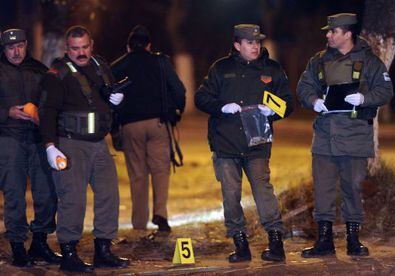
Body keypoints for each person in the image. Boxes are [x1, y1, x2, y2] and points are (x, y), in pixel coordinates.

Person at [297, 13, 393, 258]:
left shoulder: (370, 62)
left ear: (347, 33)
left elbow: (385, 90)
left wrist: (364, 98)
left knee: (353, 189)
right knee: (323, 191)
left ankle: (353, 240)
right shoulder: (318, 61)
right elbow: (303, 87)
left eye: (333, 31)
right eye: (328, 32)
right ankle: (325, 242)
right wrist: (313, 100)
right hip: (325, 137)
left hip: (355, 136)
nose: (328, 35)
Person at [195, 24, 294, 262]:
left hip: (257, 143)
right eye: (250, 43)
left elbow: (288, 103)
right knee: (230, 195)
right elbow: (201, 97)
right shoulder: (221, 68)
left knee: (263, 192)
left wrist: (273, 111)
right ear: (237, 45)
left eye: (258, 42)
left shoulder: (272, 69)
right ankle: (240, 245)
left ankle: (276, 242)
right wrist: (221, 107)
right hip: (225, 144)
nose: (255, 46)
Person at [38, 25, 129, 273]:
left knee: (109, 196)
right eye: (75, 48)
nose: (81, 53)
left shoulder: (100, 65)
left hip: (99, 143)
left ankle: (103, 250)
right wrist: (50, 147)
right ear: (67, 49)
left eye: (85, 47)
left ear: (92, 45)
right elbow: (46, 113)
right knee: (72, 199)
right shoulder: (57, 74)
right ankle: (69, 254)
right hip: (70, 143)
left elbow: (106, 93)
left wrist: (116, 100)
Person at [111, 25, 186, 232]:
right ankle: (160, 213)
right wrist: (178, 110)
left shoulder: (117, 66)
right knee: (161, 170)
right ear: (149, 45)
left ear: (128, 47)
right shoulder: (161, 62)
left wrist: (112, 127)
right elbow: (178, 90)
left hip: (130, 126)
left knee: (138, 175)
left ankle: (139, 223)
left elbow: (108, 96)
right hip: (158, 123)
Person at [0, 28, 61, 267]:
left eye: (20, 46)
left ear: (26, 45)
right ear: (3, 49)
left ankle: (39, 242)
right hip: (9, 138)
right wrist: (7, 112)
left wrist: (41, 115)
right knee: (14, 194)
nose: (16, 52)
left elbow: (51, 103)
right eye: (10, 47)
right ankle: (17, 246)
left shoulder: (39, 70)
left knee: (47, 192)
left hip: (37, 139)